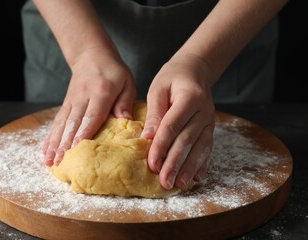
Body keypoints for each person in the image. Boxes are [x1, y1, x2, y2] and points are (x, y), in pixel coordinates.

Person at [21, 0, 288, 191]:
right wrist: (84, 53)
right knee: (74, 131)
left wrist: (201, 61)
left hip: (231, 31)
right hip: (69, 24)